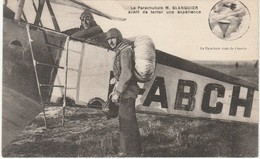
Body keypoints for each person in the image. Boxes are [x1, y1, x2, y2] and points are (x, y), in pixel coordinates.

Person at [105, 28, 142, 157]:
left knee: (128, 123)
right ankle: (125, 151)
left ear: (118, 37)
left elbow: (126, 73)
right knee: (124, 122)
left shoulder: (125, 50)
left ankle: (133, 153)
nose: (110, 41)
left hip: (127, 93)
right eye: (108, 39)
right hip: (126, 92)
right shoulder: (121, 49)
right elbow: (123, 71)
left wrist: (118, 92)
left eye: (112, 38)